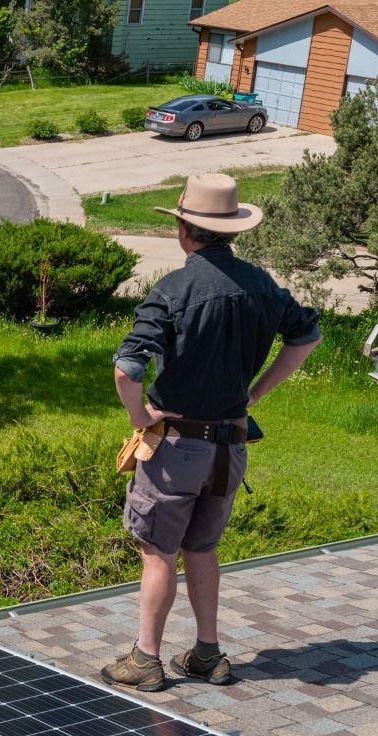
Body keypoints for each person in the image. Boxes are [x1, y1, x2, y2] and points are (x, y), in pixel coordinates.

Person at [101, 173, 321, 692]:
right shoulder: (263, 286)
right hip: (230, 448)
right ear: (232, 232)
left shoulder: (174, 289)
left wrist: (139, 419)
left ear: (184, 230)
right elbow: (306, 336)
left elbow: (126, 369)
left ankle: (145, 660)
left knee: (158, 552)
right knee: (202, 549)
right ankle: (207, 654)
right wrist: (256, 393)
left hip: (175, 448)